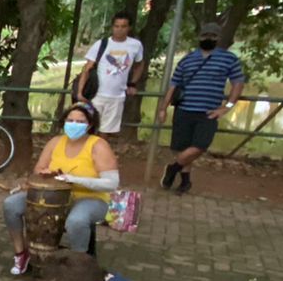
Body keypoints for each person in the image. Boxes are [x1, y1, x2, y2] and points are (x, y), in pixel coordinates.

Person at [2, 102, 119, 276]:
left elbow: (112, 183)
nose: (74, 125)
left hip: (90, 199)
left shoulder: (98, 145)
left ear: (90, 125)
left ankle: (79, 266)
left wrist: (73, 180)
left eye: (80, 122)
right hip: (52, 197)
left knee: (76, 221)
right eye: (70, 120)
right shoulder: (56, 142)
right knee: (11, 204)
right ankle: (21, 254)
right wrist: (46, 173)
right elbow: (38, 170)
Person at [155, 23, 246, 195]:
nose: (208, 39)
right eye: (205, 35)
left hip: (208, 112)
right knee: (182, 148)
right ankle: (185, 182)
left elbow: (238, 83)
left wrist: (226, 107)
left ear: (218, 38)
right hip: (184, 109)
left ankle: (173, 168)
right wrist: (163, 108)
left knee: (200, 145)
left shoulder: (228, 59)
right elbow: (174, 85)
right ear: (199, 37)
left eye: (212, 36)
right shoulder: (187, 59)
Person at [72, 11, 145, 136]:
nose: (119, 30)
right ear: (112, 27)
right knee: (85, 129)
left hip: (117, 96)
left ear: (129, 28)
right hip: (97, 95)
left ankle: (99, 154)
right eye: (117, 26)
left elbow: (140, 64)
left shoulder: (135, 45)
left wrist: (132, 83)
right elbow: (87, 69)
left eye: (123, 26)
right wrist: (80, 92)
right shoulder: (101, 44)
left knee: (105, 132)